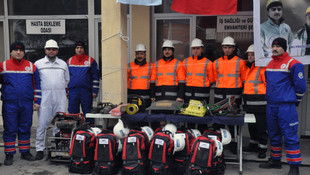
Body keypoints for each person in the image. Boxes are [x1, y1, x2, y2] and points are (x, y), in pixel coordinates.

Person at [259, 37, 307, 175]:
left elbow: (301, 87)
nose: (274, 48)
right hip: (271, 105)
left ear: (284, 48)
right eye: (273, 46)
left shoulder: (294, 64)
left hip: (286, 107)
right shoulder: (269, 64)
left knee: (290, 136)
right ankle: (275, 161)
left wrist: (295, 101)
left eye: (278, 46)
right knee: (274, 135)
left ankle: (294, 167)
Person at [0, 42, 41, 165]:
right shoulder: (3, 66)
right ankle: (9, 154)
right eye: (16, 50)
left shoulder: (31, 66)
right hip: (10, 103)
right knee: (10, 128)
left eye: (21, 50)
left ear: (24, 52)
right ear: (11, 52)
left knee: (25, 127)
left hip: (26, 103)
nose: (18, 52)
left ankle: (25, 152)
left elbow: (37, 85)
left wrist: (37, 101)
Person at [34, 39, 70, 160]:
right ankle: (40, 148)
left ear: (57, 50)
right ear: (45, 50)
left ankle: (58, 147)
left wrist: (62, 93)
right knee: (42, 124)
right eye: (49, 49)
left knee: (59, 123)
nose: (51, 51)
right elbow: (35, 82)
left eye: (54, 49)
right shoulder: (38, 64)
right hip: (44, 97)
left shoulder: (63, 64)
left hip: (60, 96)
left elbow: (66, 80)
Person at [212, 36, 247, 154]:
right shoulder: (216, 62)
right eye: (225, 47)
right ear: (222, 48)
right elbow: (213, 78)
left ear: (234, 49)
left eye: (229, 47)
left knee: (233, 122)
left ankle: (233, 143)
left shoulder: (240, 62)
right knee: (218, 120)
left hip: (234, 95)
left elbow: (244, 79)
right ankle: (219, 142)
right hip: (219, 95)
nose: (227, 50)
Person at [242, 44, 268, 159]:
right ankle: (253, 144)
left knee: (261, 126)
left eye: (253, 54)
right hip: (249, 102)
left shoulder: (262, 69)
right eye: (249, 54)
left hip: (260, 103)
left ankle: (262, 148)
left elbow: (268, 86)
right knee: (251, 125)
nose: (250, 57)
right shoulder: (248, 69)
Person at [67, 41, 100, 124]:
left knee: (88, 113)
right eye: (77, 48)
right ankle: (74, 132)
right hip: (73, 91)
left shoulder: (90, 60)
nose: (79, 50)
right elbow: (65, 78)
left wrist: (95, 91)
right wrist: (66, 90)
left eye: (81, 48)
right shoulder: (69, 61)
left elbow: (96, 77)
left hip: (86, 92)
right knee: (73, 113)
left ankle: (89, 132)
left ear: (84, 49)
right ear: (75, 49)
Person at [183, 38, 214, 104]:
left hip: (202, 93)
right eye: (194, 48)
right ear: (191, 49)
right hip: (189, 93)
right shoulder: (185, 61)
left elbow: (211, 80)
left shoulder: (208, 63)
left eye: (198, 48)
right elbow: (183, 77)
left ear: (202, 49)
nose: (195, 51)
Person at [127, 44, 152, 108]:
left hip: (146, 99)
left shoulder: (151, 66)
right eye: (138, 54)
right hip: (132, 98)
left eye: (141, 54)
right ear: (135, 55)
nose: (139, 56)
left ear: (145, 55)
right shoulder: (129, 66)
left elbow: (153, 82)